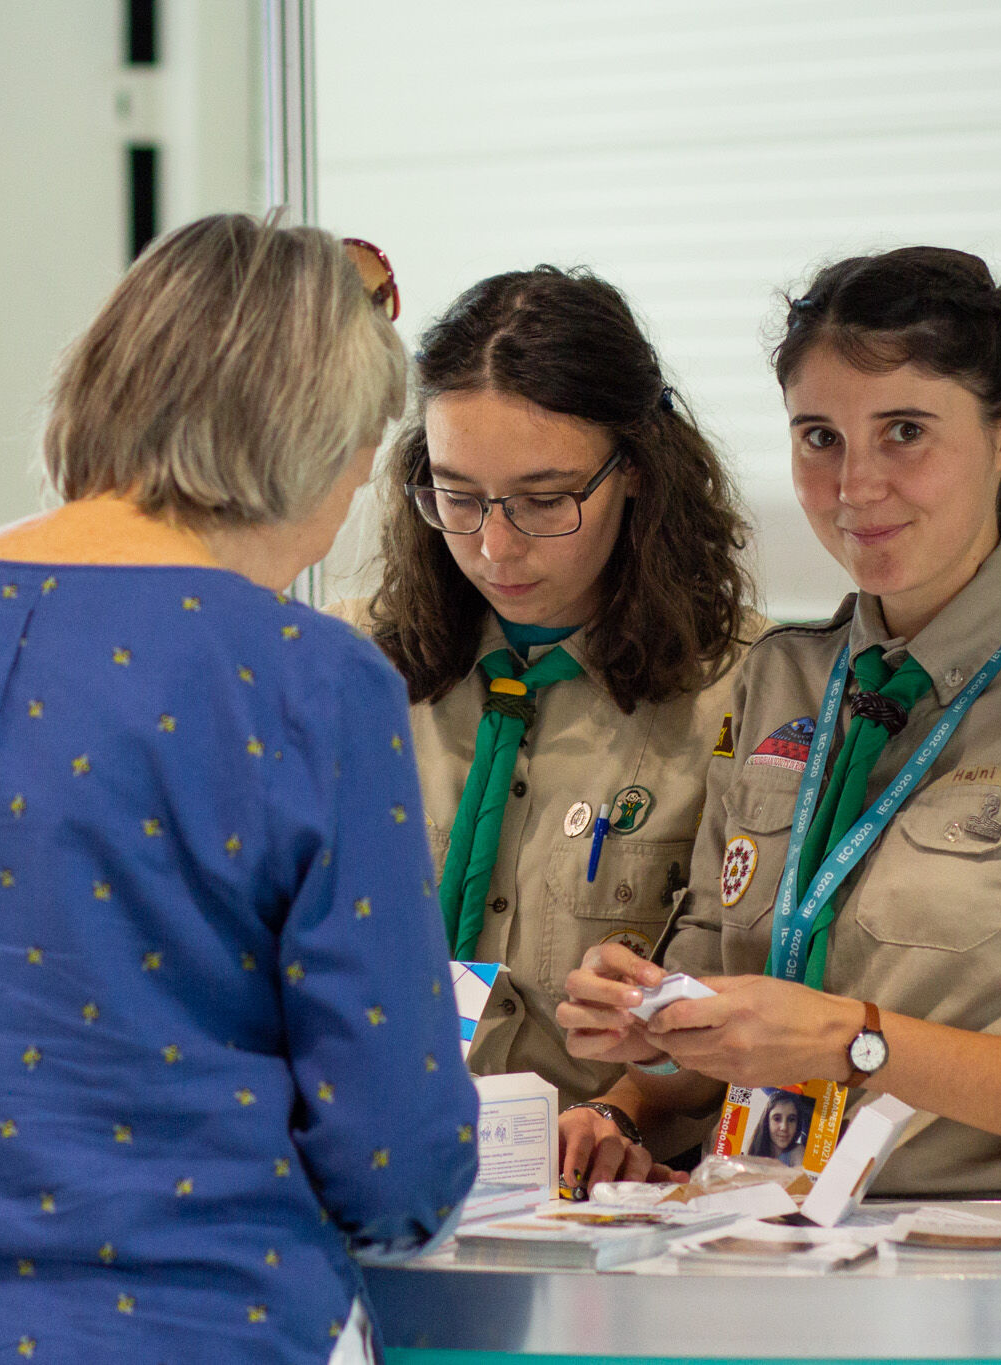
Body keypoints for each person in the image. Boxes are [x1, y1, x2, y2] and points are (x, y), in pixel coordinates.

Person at [0, 216, 477, 1365]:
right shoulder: (307, 682)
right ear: (309, 441)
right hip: (177, 1327)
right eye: (362, 453)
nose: (352, 495)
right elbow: (396, 1152)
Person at [558, 246, 1001, 1197]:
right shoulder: (782, 679)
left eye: (905, 431)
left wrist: (854, 1041)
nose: (854, 485)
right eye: (819, 437)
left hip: (969, 1257)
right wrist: (636, 1066)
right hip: (742, 1236)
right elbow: (716, 1034)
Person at [332, 267, 764, 1175]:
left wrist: (623, 1112)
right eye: (456, 495)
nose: (495, 546)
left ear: (636, 470)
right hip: (370, 1171)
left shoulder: (747, 696)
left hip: (609, 1202)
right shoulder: (346, 668)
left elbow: (754, 1002)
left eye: (544, 499)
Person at [743, 1089, 813, 1167]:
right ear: (767, 1121)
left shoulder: (797, 1152)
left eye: (791, 1120)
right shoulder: (752, 1147)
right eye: (777, 1119)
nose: (784, 1127)